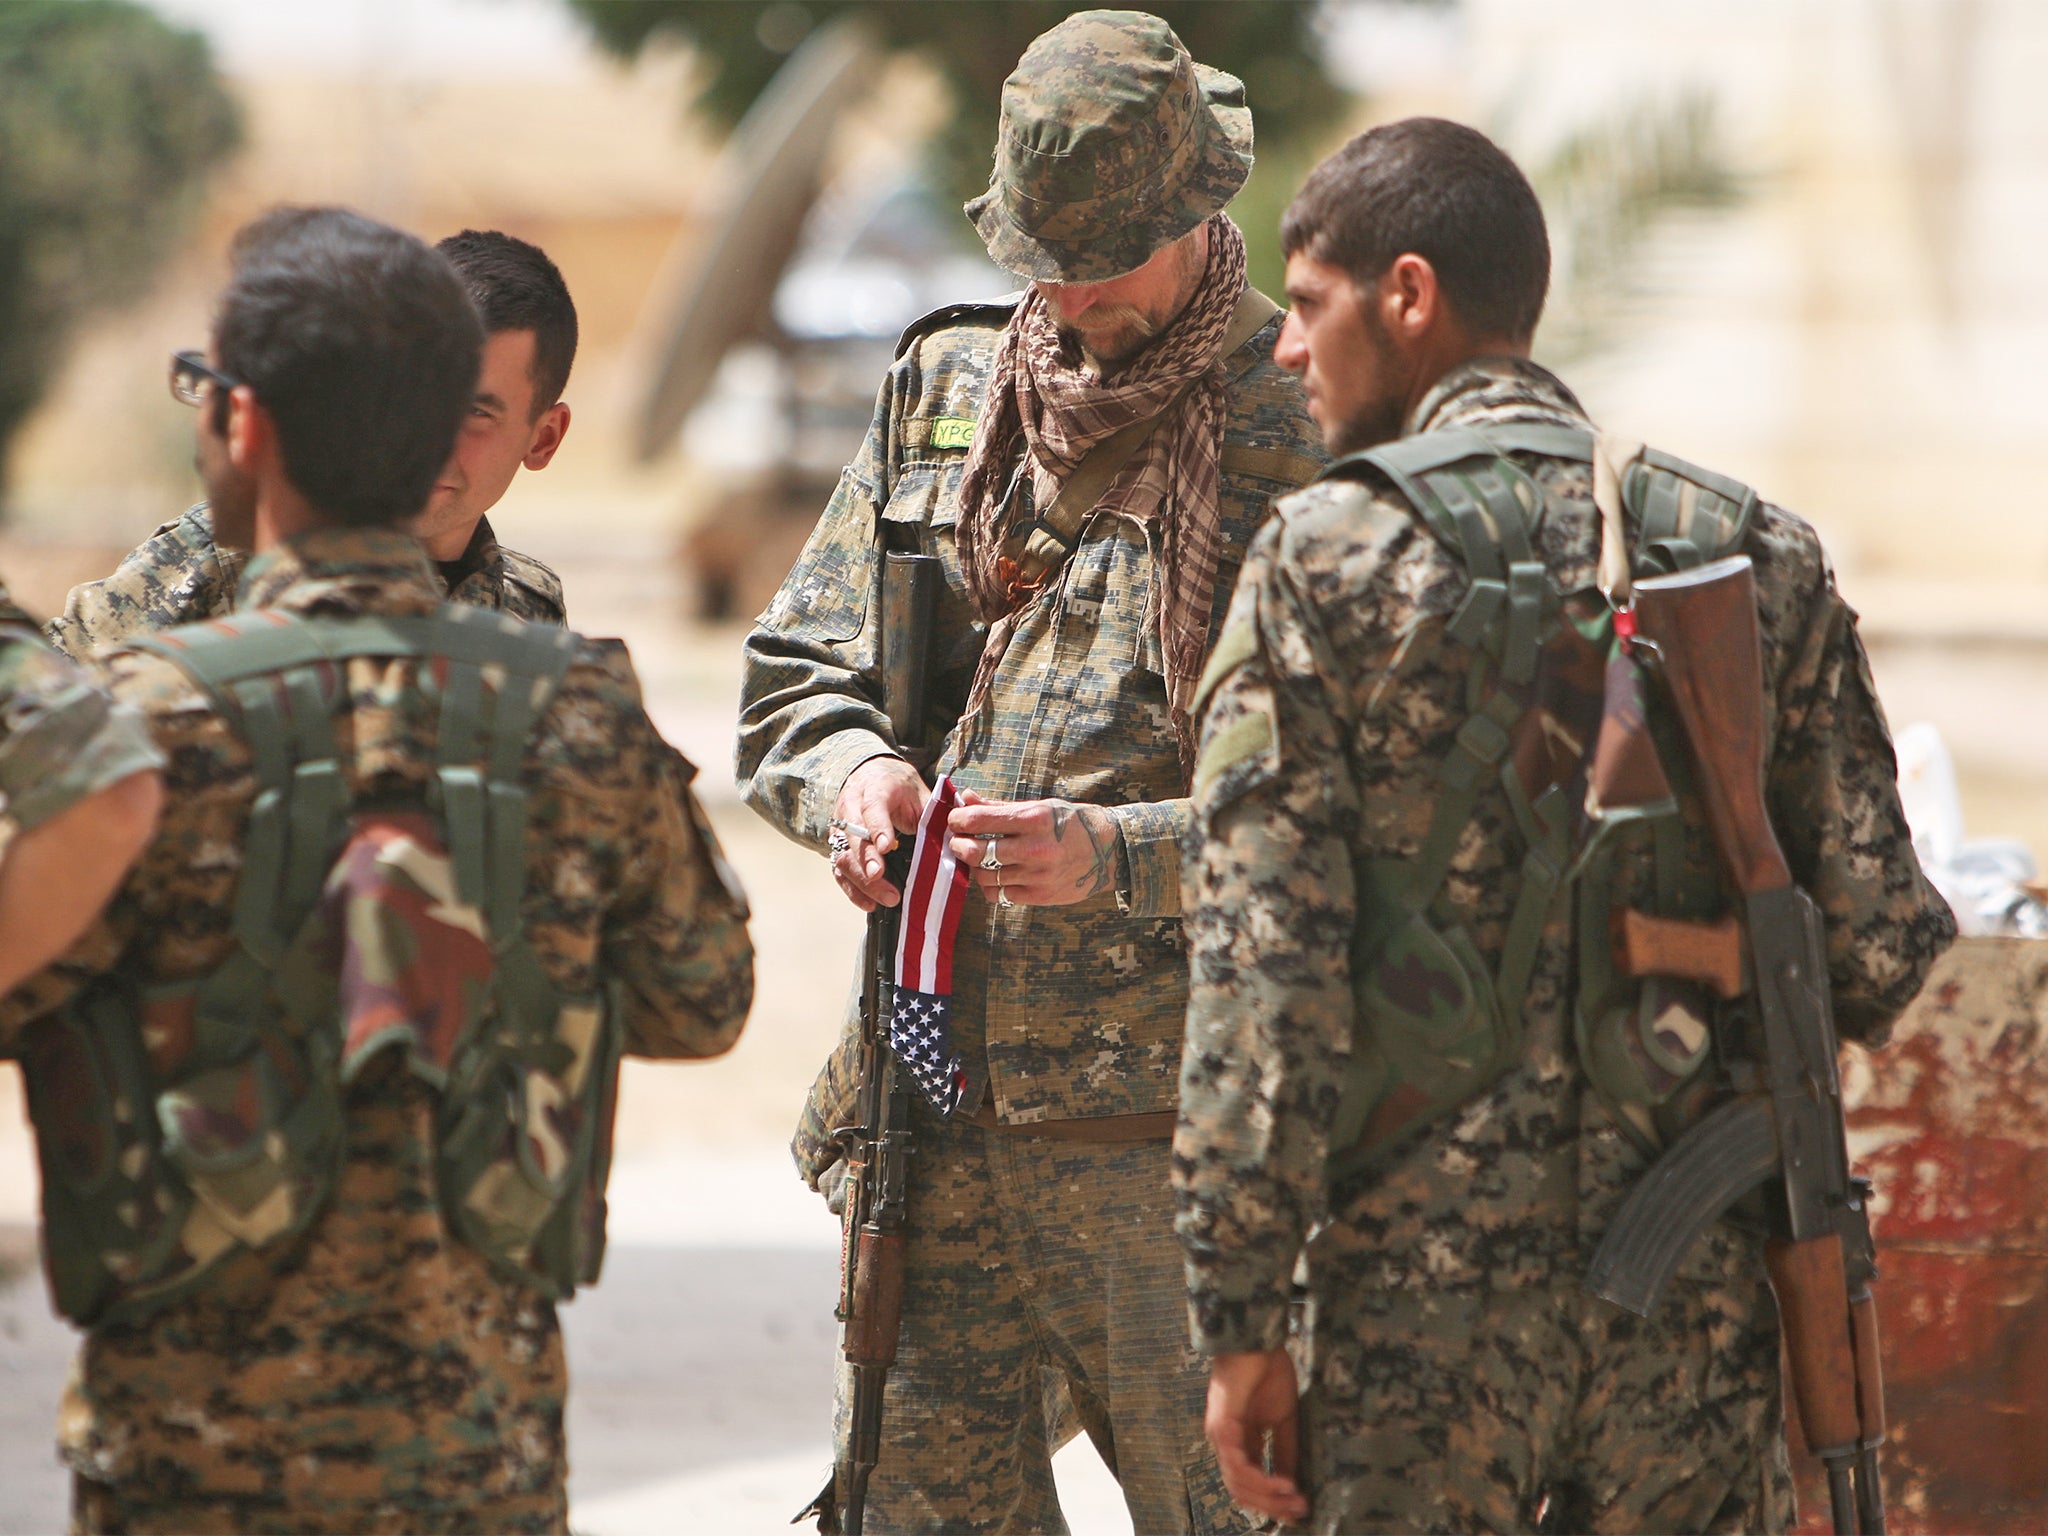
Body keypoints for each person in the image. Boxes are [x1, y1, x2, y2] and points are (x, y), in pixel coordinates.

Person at [1174, 118, 1957, 1534]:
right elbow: (1888, 950)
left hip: (1416, 1327)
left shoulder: (1322, 559)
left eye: (1307, 303)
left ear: (1407, 297)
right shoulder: (1748, 552)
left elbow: (1259, 976)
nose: (1287, 350)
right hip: (1698, 1314)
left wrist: (1236, 1320)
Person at [1, 206, 753, 1534]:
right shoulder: (580, 715)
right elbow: (703, 1000)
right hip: (483, 1458)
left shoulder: (133, 733)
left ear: (245, 428)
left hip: (184, 1466)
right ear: (440, 429)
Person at [736, 11, 1324, 1531]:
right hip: (937, 1122)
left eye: (1108, 254)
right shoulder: (947, 392)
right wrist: (858, 780)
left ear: (1204, 213)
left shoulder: (1302, 429)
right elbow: (796, 678)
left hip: (1178, 1150)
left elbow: (1358, 812)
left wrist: (1117, 853)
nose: (1070, 292)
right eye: (1044, 253)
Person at [45, 227, 577, 657]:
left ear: (543, 439)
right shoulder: (231, 554)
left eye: (473, 412)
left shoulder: (527, 610)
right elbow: (40, 705)